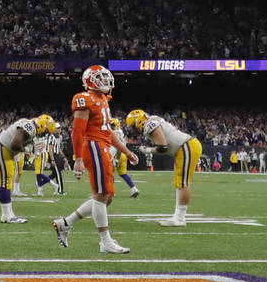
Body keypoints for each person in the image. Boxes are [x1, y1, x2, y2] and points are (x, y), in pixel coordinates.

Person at [52, 65, 138, 254]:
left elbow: (109, 132)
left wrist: (126, 151)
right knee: (101, 195)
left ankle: (65, 223)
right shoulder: (85, 99)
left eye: (107, 78)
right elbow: (77, 131)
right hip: (93, 147)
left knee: (107, 198)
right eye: (101, 78)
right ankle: (105, 241)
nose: (106, 81)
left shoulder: (103, 100)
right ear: (90, 80)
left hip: (103, 147)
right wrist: (78, 159)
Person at [126, 109, 202, 227]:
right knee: (179, 182)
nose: (134, 129)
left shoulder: (149, 125)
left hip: (187, 146)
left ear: (138, 121)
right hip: (183, 148)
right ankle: (178, 217)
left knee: (183, 182)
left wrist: (147, 150)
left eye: (134, 126)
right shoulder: (153, 120)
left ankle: (180, 218)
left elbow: (162, 148)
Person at [0, 114, 53, 223]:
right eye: (46, 131)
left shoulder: (30, 125)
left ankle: (9, 214)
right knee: (5, 182)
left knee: (7, 181)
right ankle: (7, 216)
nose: (45, 134)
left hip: (3, 150)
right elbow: (14, 145)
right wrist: (27, 149)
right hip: (0, 149)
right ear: (42, 126)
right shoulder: (30, 127)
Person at [109, 117, 140, 198]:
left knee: (108, 174)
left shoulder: (115, 132)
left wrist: (116, 160)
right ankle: (134, 189)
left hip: (117, 155)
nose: (111, 126)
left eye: (112, 125)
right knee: (123, 174)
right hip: (124, 155)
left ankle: (112, 192)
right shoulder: (121, 132)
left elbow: (117, 147)